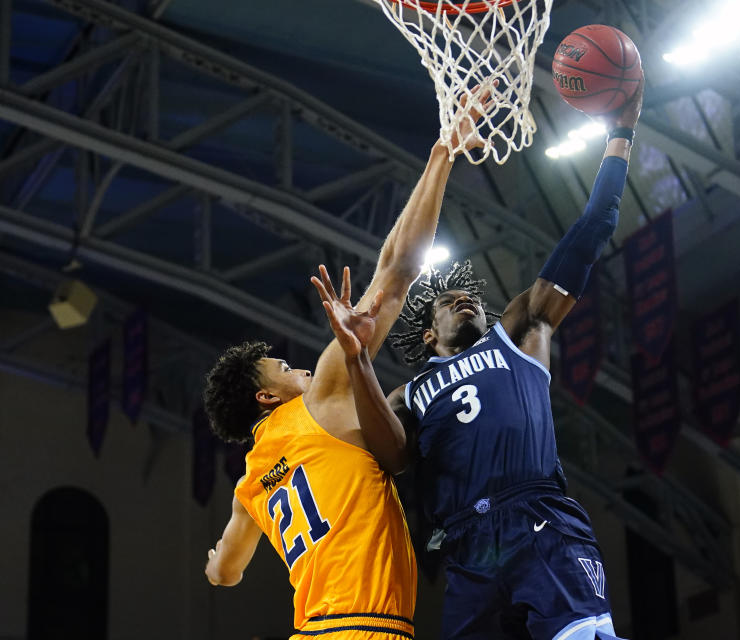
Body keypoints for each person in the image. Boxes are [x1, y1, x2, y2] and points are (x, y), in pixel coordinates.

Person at [201, 87, 492, 640]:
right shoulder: (321, 399)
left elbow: (227, 573)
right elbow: (396, 270)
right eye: (284, 368)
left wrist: (215, 563)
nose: (301, 370)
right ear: (267, 397)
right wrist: (442, 153)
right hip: (363, 628)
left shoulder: (251, 485)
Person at [376, 81, 645, 640]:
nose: (468, 300)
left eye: (471, 296)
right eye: (451, 303)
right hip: (467, 547)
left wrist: (621, 134)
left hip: (538, 520)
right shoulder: (409, 396)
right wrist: (356, 360)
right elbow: (388, 458)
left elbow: (589, 231)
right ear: (429, 336)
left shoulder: (519, 336)